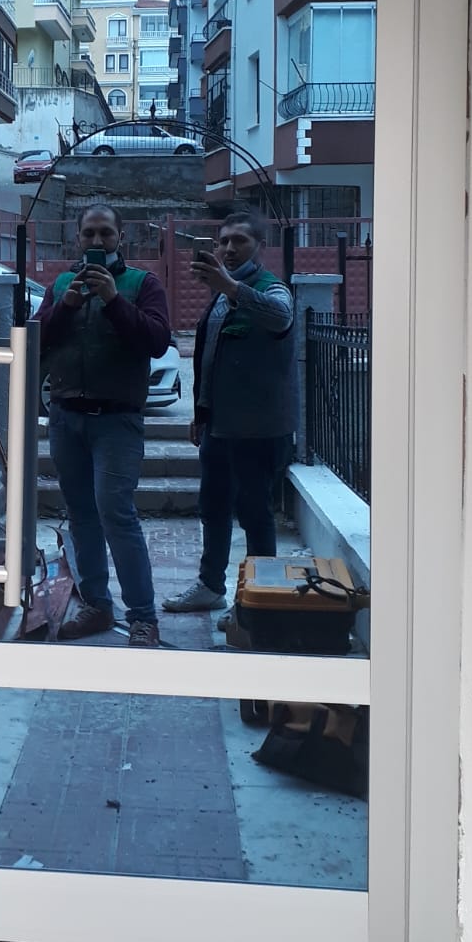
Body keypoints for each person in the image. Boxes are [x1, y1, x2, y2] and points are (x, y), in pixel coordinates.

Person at [34, 202, 170, 646]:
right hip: (66, 417)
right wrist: (66, 306)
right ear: (77, 238)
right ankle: (96, 604)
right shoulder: (61, 284)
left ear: (120, 237)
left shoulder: (142, 284)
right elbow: (37, 340)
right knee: (81, 516)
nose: (97, 241)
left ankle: (142, 617)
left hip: (116, 421)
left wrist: (113, 300)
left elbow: (156, 340)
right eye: (89, 233)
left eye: (105, 233)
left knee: (116, 514)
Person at [163, 211, 296, 615]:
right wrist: (201, 412)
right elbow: (211, 358)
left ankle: (260, 600)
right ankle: (210, 586)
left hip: (258, 431)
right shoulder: (221, 296)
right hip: (219, 428)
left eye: (240, 241)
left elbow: (281, 318)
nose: (229, 248)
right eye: (223, 241)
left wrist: (232, 287)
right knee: (214, 508)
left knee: (255, 514)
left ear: (260, 247)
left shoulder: (272, 288)